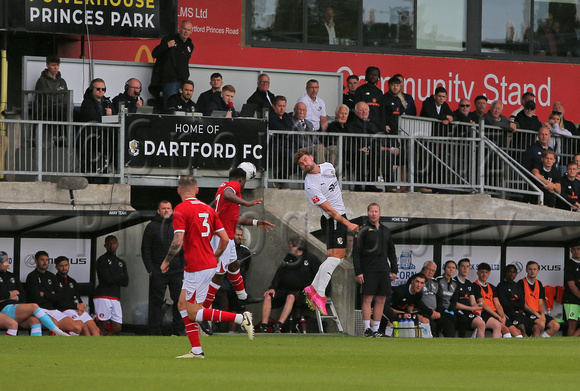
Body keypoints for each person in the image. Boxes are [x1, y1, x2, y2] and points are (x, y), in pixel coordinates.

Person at [160, 176, 254, 359]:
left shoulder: (180, 209)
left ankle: (241, 318)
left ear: (179, 191)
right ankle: (197, 350)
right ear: (197, 191)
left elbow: (178, 240)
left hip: (197, 267)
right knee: (182, 305)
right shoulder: (209, 209)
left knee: (194, 313)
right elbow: (225, 239)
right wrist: (215, 255)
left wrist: (166, 261)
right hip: (206, 265)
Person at [201, 168, 274, 318]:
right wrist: (246, 203)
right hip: (221, 237)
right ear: (242, 180)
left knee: (234, 265)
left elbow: (235, 219)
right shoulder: (233, 186)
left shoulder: (223, 187)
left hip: (226, 235)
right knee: (219, 276)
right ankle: (204, 310)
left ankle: (242, 297)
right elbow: (229, 194)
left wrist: (255, 222)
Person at [294, 148, 359, 315]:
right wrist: (348, 223)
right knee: (337, 258)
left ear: (311, 157)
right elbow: (329, 210)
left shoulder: (329, 167)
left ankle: (312, 289)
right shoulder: (310, 185)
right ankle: (319, 293)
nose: (304, 164)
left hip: (338, 218)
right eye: (301, 164)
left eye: (305, 160)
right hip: (333, 220)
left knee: (333, 258)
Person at [259, 235, 321, 333]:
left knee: (291, 297)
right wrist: (272, 288)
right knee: (268, 296)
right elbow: (279, 274)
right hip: (282, 290)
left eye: (291, 244)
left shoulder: (311, 259)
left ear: (297, 246)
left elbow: (320, 276)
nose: (289, 246)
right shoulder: (288, 258)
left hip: (300, 292)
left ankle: (279, 325)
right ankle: (264, 326)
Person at [353, 203, 397, 338]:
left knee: (381, 299)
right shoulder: (362, 230)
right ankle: (367, 329)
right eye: (371, 211)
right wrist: (358, 271)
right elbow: (356, 252)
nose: (373, 214)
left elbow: (391, 251)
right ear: (368, 213)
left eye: (376, 211)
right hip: (368, 269)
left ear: (380, 213)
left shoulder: (386, 230)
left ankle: (376, 329)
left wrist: (394, 269)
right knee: (367, 298)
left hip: (383, 269)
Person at [141, 200, 185, 336]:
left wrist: (183, 267)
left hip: (177, 270)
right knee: (156, 301)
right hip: (158, 271)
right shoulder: (151, 227)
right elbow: (145, 249)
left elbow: (184, 247)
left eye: (168, 208)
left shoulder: (177, 225)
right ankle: (155, 331)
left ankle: (179, 329)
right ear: (158, 211)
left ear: (172, 210)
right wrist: (150, 269)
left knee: (179, 300)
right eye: (163, 208)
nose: (166, 210)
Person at [0, 251, 69, 336]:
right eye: (3, 260)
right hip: (3, 308)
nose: (6, 263)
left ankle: (36, 346)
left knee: (35, 321)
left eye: (6, 260)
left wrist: (13, 297)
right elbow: (2, 295)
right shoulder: (32, 276)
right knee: (34, 306)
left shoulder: (12, 276)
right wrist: (13, 293)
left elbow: (23, 295)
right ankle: (59, 332)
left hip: (16, 307)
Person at [25, 250, 83, 335]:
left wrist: (44, 294)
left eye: (47, 260)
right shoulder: (32, 276)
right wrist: (51, 294)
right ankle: (51, 346)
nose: (45, 262)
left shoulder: (51, 276)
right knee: (54, 324)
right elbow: (36, 297)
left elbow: (59, 296)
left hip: (53, 309)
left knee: (77, 328)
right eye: (42, 260)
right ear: (36, 261)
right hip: (39, 310)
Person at [151, 20, 194, 106]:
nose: (186, 31)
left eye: (188, 30)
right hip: (170, 81)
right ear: (180, 29)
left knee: (182, 106)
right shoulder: (169, 39)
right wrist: (166, 46)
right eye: (184, 29)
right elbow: (154, 53)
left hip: (183, 81)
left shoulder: (190, 45)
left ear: (191, 32)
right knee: (170, 106)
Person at [54, 256, 100, 336]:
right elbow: (57, 302)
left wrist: (81, 308)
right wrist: (76, 306)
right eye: (61, 266)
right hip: (65, 310)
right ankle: (88, 347)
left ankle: (98, 347)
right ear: (56, 267)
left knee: (95, 329)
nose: (64, 268)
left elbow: (77, 297)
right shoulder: (54, 281)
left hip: (77, 309)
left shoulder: (72, 281)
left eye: (66, 265)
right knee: (84, 328)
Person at [472, 262, 520, 338]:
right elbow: (484, 305)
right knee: (504, 329)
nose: (484, 274)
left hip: (495, 313)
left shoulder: (492, 287)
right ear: (478, 273)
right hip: (484, 313)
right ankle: (500, 348)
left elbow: (497, 304)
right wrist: (497, 316)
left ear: (489, 273)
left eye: (486, 272)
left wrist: (502, 315)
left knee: (517, 332)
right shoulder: (475, 286)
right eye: (482, 272)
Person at [94, 235, 129, 336]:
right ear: (105, 245)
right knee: (102, 325)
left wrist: (114, 276)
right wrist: (119, 276)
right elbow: (106, 279)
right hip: (103, 295)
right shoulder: (102, 260)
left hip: (115, 296)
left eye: (114, 242)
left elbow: (126, 282)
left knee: (117, 327)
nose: (111, 245)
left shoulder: (121, 262)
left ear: (117, 244)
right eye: (109, 243)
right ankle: (99, 346)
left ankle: (105, 341)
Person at [517, 261, 560, 337]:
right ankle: (535, 343)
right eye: (530, 269)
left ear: (538, 271)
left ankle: (540, 341)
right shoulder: (521, 283)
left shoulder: (539, 283)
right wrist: (537, 314)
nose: (532, 271)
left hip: (537, 312)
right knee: (541, 324)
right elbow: (522, 304)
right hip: (526, 313)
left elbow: (540, 302)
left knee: (555, 325)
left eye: (534, 269)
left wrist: (542, 314)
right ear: (526, 270)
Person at [454, 258, 486, 338]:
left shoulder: (469, 283)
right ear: (458, 268)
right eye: (463, 266)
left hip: (468, 311)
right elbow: (454, 303)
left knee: (481, 323)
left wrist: (477, 308)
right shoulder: (453, 282)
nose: (465, 269)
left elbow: (473, 302)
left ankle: (480, 347)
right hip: (457, 311)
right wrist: (471, 308)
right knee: (463, 320)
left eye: (467, 267)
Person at [34, 55, 68, 120]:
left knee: (76, 115)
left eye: (57, 65)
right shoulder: (42, 81)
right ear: (47, 65)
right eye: (53, 65)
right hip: (46, 110)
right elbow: (46, 100)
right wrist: (61, 96)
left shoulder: (62, 81)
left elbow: (66, 98)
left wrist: (56, 97)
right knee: (61, 113)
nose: (56, 68)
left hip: (61, 108)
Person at [496, 264, 526, 336]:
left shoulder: (518, 286)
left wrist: (511, 302)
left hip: (519, 313)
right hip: (508, 314)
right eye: (510, 272)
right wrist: (515, 303)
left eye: (514, 272)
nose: (512, 274)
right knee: (520, 328)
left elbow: (522, 304)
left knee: (534, 326)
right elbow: (504, 304)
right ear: (505, 273)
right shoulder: (501, 286)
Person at [354, 66, 384, 131]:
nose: (373, 77)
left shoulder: (379, 92)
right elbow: (356, 108)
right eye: (371, 74)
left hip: (376, 125)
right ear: (367, 75)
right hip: (362, 125)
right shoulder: (360, 90)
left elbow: (381, 110)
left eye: (375, 75)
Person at [434, 260, 459, 337]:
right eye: (449, 267)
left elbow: (454, 299)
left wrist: (451, 310)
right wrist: (441, 310)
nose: (451, 269)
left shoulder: (455, 283)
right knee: (449, 320)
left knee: (457, 318)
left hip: (449, 310)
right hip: (438, 309)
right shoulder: (438, 280)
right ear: (444, 268)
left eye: (453, 268)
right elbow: (437, 296)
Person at [417, 261, 440, 338]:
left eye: (433, 271)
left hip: (434, 311)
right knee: (431, 323)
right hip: (421, 311)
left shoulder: (435, 282)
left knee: (448, 321)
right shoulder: (417, 280)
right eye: (429, 269)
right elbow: (416, 300)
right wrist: (430, 312)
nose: (430, 272)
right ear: (423, 269)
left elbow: (439, 298)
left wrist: (438, 312)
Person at [563, 241, 580, 336]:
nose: (576, 251)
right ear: (571, 251)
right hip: (571, 299)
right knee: (572, 324)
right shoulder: (569, 264)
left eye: (578, 248)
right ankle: (570, 343)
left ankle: (572, 340)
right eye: (574, 249)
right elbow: (571, 285)